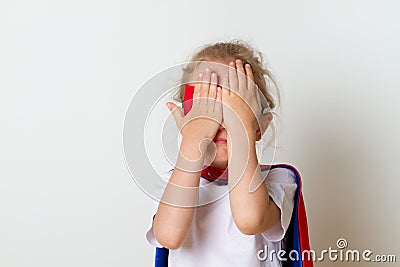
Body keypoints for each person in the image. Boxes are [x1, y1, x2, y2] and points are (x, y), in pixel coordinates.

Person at [146, 40, 300, 267]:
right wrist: (193, 141)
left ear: (260, 126)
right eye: (206, 108)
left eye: (235, 109)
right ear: (184, 123)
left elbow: (250, 219)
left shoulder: (277, 181)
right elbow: (169, 236)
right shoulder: (174, 182)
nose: (219, 122)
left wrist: (241, 130)